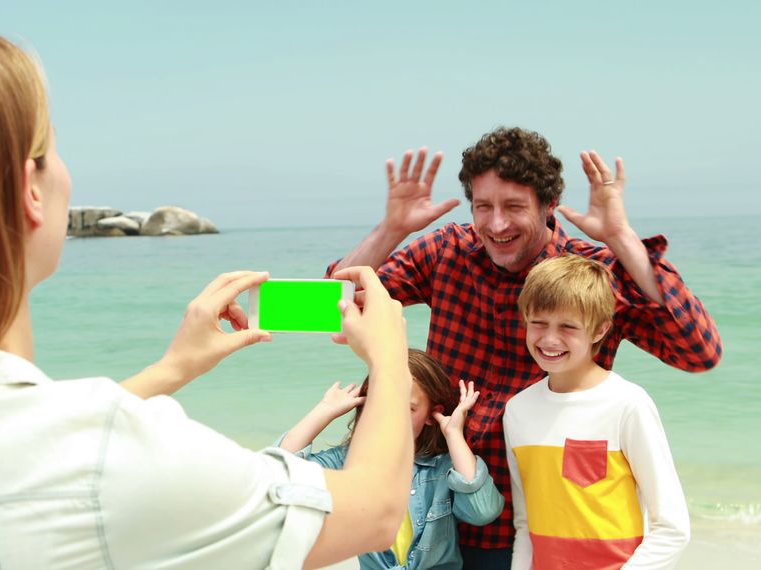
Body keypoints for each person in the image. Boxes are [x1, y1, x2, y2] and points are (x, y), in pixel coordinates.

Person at [0, 30, 417, 569]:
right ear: (27, 192)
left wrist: (171, 371)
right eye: (52, 146)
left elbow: (32, 446)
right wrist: (388, 357)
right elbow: (371, 511)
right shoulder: (112, 454)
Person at [328, 127, 720, 567]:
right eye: (484, 207)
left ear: (549, 205)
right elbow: (330, 310)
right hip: (432, 516)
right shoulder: (446, 251)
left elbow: (697, 351)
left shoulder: (589, 276)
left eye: (514, 207)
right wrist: (391, 228)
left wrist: (623, 240)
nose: (496, 225)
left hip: (533, 532)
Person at [505, 254, 690, 569]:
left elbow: (672, 528)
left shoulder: (627, 404)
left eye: (568, 326)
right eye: (538, 323)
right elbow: (525, 526)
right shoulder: (517, 410)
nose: (550, 339)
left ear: (600, 330)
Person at [279, 349, 504, 569]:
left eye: (408, 408)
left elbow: (483, 511)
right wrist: (324, 411)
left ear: (431, 414)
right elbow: (279, 474)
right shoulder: (347, 462)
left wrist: (454, 434)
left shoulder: (443, 468)